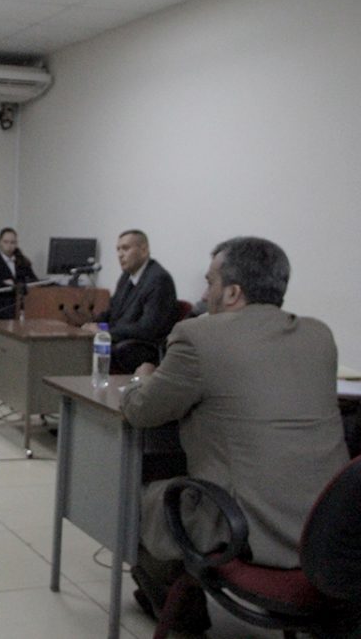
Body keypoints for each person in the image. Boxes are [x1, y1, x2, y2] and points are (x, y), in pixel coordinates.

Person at [120, 237, 349, 632]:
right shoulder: (318, 335)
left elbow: (143, 411)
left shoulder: (198, 337)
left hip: (249, 529)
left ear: (232, 292)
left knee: (138, 498)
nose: (203, 294)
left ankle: (181, 612)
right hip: (331, 528)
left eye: (210, 282)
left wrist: (142, 379)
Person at [83, 229, 178, 373]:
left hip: (143, 349)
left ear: (144, 250)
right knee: (80, 346)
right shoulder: (126, 277)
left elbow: (147, 329)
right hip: (122, 340)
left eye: (126, 248)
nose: (120, 254)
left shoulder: (159, 280)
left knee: (90, 353)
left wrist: (105, 331)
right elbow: (112, 312)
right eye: (118, 249)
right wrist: (92, 325)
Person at [0, 227, 39, 319]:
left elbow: (33, 281)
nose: (9, 245)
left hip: (21, 302)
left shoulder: (23, 262)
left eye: (12, 242)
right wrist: (19, 285)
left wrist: (14, 283)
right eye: (6, 242)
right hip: (2, 304)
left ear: (16, 244)